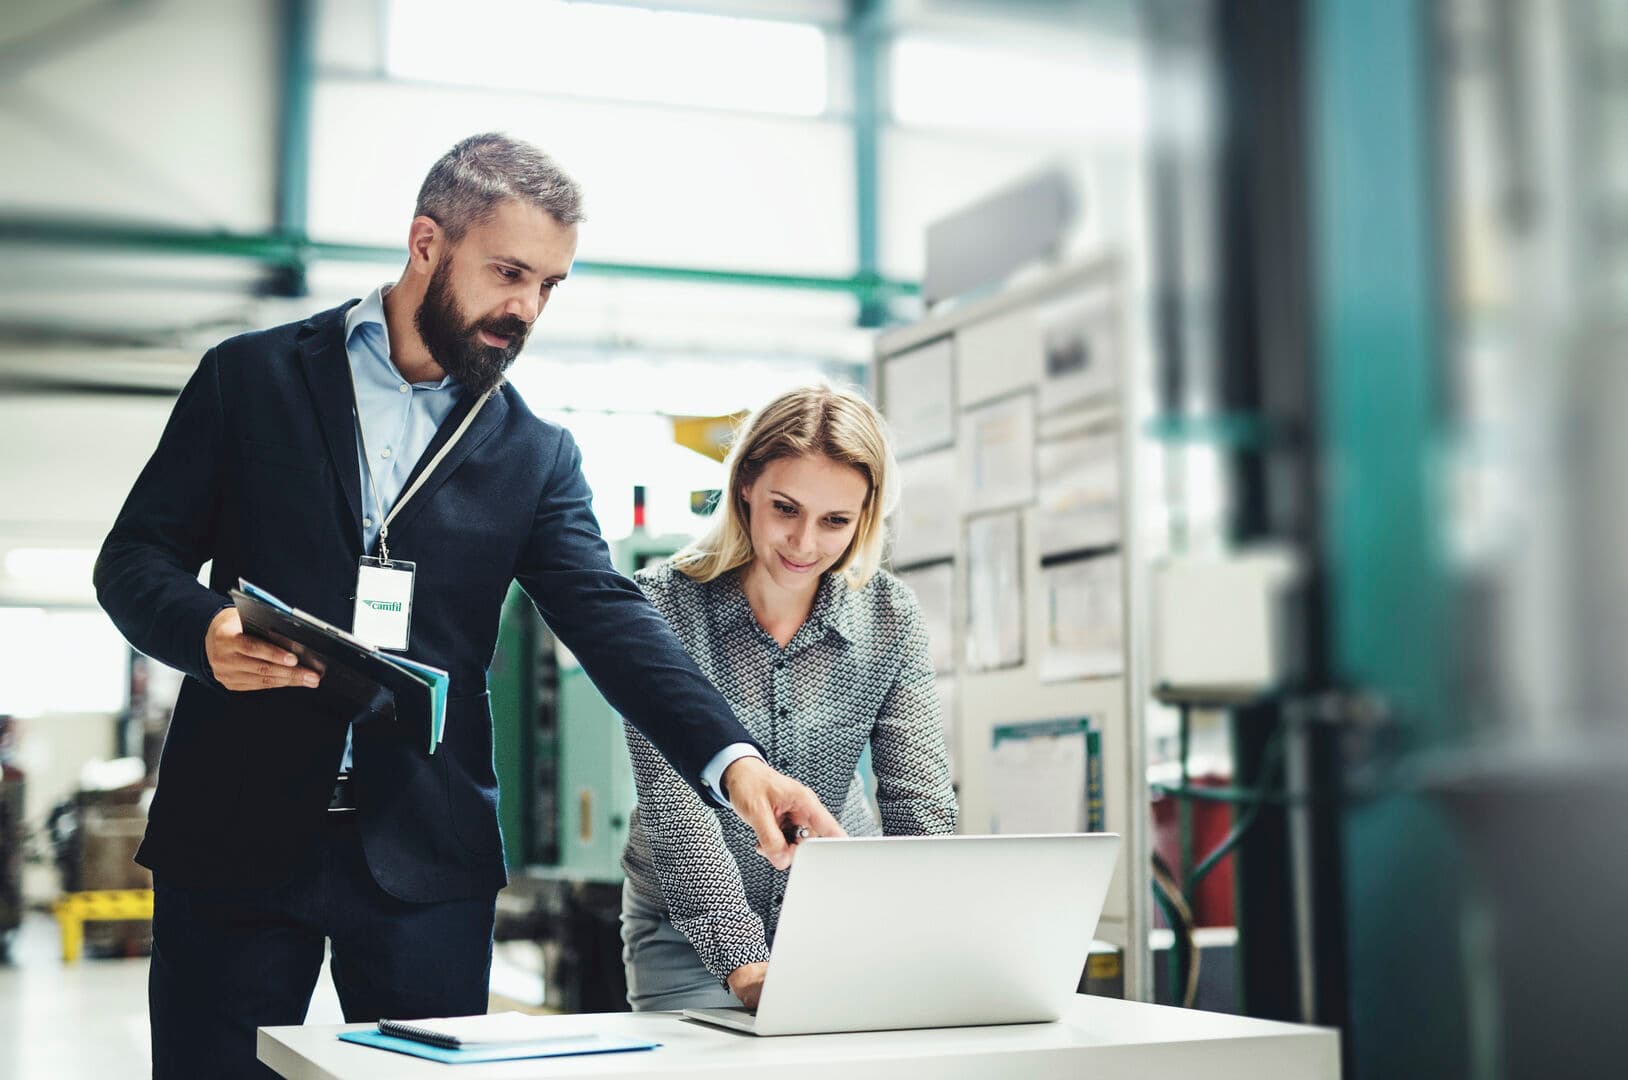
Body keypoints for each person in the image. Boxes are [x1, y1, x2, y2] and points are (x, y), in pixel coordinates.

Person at [93, 133, 839, 1079]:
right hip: (236, 831)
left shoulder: (534, 451)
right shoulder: (252, 380)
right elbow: (133, 560)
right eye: (510, 273)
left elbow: (610, 619)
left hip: (424, 853)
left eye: (549, 286)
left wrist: (736, 764)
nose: (525, 308)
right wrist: (202, 633)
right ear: (426, 244)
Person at [619, 384, 958, 1012]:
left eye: (835, 521)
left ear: (867, 516)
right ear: (746, 485)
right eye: (786, 509)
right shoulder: (661, 605)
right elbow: (676, 810)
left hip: (838, 920)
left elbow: (919, 798)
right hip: (688, 932)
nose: (804, 543)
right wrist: (747, 970)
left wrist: (926, 936)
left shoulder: (890, 616)